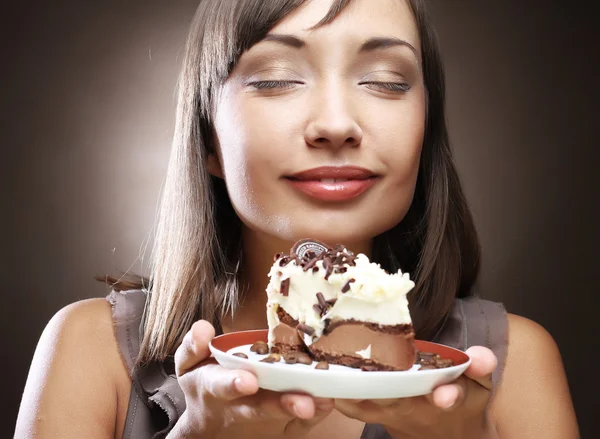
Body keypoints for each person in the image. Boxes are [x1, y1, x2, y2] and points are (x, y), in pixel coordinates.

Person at [15, 0, 580, 438]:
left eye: (386, 80)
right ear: (208, 138)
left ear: (426, 132)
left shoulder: (514, 364)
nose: (336, 123)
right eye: (275, 78)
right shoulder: (93, 352)